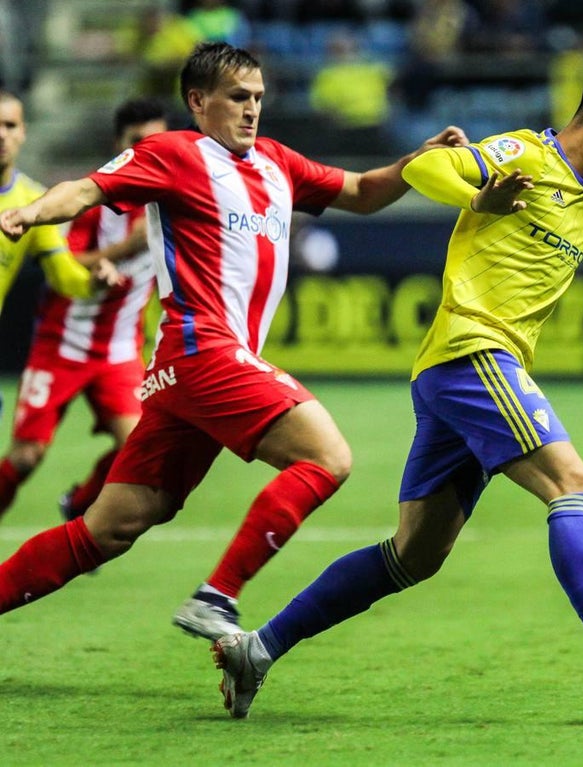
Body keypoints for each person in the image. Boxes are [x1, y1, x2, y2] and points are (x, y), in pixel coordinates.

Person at [211, 62, 583, 718]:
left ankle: (258, 649)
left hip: (457, 373)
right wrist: (478, 197)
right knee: (572, 483)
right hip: (473, 354)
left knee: (413, 554)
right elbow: (426, 168)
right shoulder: (523, 155)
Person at [0, 43, 466, 640]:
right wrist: (31, 213)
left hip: (191, 371)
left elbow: (362, 191)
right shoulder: (173, 154)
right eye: (238, 98)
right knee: (327, 457)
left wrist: (417, 161)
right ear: (198, 102)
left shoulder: (277, 162)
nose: (252, 110)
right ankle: (217, 596)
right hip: (204, 351)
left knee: (111, 527)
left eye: (259, 98)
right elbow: (88, 190)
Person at [0, 97, 169, 525]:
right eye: (137, 143)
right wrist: (119, 251)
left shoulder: (173, 203)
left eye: (158, 142)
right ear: (120, 146)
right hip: (63, 343)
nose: (149, 153)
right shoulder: (87, 200)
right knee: (25, 457)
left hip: (118, 351)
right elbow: (64, 263)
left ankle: (79, 504)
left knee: (137, 447)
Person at [0, 90, 120, 417]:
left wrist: (92, 283)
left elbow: (62, 273)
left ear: (23, 131)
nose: (2, 134)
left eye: (10, 125)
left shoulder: (33, 202)